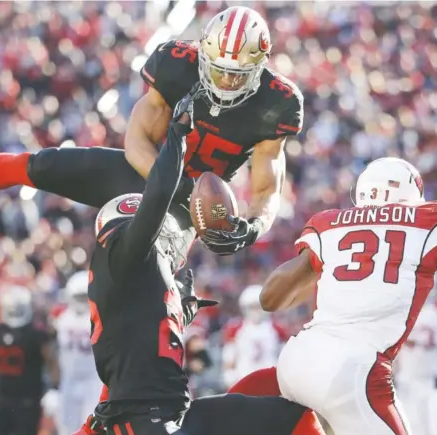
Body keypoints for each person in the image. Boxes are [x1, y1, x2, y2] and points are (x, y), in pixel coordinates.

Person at [0, 6, 303, 257]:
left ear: (260, 65)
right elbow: (136, 142)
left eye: (237, 74)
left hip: (189, 212)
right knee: (38, 164)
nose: (227, 83)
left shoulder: (276, 102)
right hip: (149, 173)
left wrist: (251, 227)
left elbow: (267, 187)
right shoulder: (178, 62)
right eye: (219, 71)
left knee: (145, 291)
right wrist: (174, 185)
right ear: (204, 52)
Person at [76, 92, 321, 435]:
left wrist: (179, 309)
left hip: (174, 410)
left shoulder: (135, 282)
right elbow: (159, 194)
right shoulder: (120, 254)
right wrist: (177, 135)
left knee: (293, 415)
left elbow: (135, 338)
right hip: (143, 418)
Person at [258, 157, 437, 435]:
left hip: (296, 361)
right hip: (353, 372)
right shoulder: (424, 224)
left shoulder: (330, 224)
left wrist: (323, 266)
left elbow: (269, 299)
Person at [0, 286, 60, 435]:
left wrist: (55, 388)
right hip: (2, 399)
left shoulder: (37, 335)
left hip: (28, 401)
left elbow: (52, 362)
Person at [52, 271, 103, 435]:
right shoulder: (62, 318)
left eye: (84, 296)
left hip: (93, 379)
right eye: (79, 296)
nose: (82, 301)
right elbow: (54, 352)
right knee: (66, 427)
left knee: (91, 426)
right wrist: (53, 386)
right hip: (69, 378)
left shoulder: (99, 317)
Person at [394, 291, 437, 435]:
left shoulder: (430, 313)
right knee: (412, 423)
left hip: (428, 377)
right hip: (411, 375)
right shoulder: (405, 311)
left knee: (430, 424)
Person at [222, 285, 289, 389]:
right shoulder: (236, 329)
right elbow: (229, 357)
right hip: (243, 378)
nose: (255, 311)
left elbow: (284, 358)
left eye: (258, 307)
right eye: (252, 307)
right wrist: (230, 375)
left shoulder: (277, 329)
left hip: (270, 380)